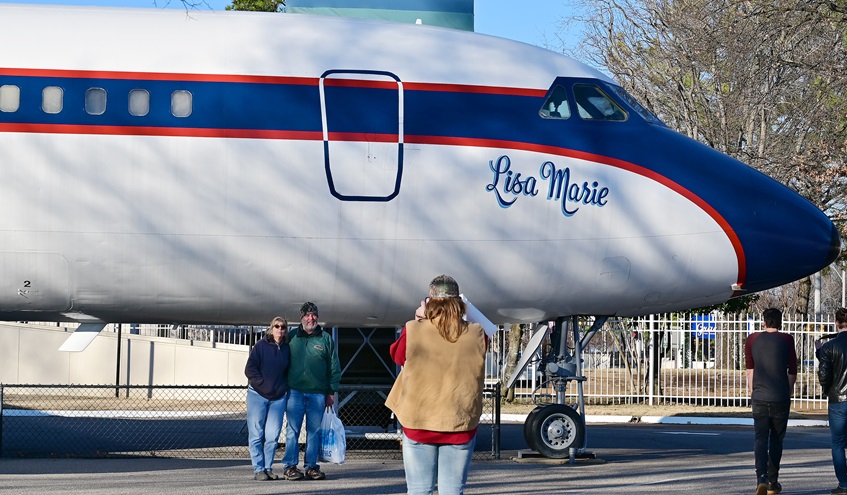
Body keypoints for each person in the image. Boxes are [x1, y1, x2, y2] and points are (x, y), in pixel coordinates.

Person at [385, 275, 488, 495]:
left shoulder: (414, 329)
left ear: (429, 302)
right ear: (460, 303)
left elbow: (398, 356)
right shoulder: (477, 332)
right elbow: (482, 346)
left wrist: (420, 319)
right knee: (452, 491)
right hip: (459, 424)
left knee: (419, 491)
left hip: (419, 422)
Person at [281, 301, 341, 481]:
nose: (311, 318)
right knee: (292, 430)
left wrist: (332, 391)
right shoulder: (291, 337)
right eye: (307, 315)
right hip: (295, 392)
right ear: (301, 317)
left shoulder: (325, 339)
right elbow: (281, 361)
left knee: (314, 431)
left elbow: (334, 367)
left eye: (314, 315)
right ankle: (290, 466)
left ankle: (311, 466)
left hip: (317, 393)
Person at [745, 308, 797, 495]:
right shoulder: (787, 339)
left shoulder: (752, 339)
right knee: (776, 439)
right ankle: (773, 482)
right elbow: (793, 370)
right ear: (780, 322)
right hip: (780, 397)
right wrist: (788, 390)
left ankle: (761, 477)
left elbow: (749, 369)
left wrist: (753, 390)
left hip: (759, 396)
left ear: (764, 322)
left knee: (760, 438)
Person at [244, 316, 291, 481]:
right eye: (277, 326)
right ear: (272, 328)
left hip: (278, 399)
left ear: (286, 330)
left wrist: (282, 387)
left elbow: (288, 371)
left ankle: (268, 467)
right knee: (256, 434)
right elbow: (250, 369)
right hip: (257, 396)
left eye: (283, 327)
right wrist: (262, 384)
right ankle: (258, 469)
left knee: (272, 436)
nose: (280, 329)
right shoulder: (261, 346)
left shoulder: (286, 348)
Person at [817, 308, 847, 495]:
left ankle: (844, 484)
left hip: (837, 399)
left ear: (837, 323)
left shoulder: (828, 347)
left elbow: (824, 375)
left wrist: (827, 389)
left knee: (838, 443)